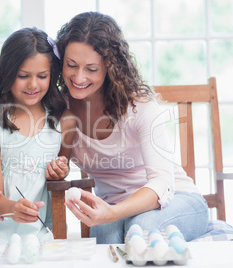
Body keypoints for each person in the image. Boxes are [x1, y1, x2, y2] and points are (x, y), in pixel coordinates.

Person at [57, 11, 208, 243]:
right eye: (71, 65)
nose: (79, 77)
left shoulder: (138, 106)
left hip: (176, 198)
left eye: (91, 69)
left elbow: (161, 183)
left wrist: (113, 213)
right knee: (106, 236)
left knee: (141, 228)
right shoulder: (60, 110)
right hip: (114, 207)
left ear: (110, 67)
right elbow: (22, 153)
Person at [0, 27, 76, 243]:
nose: (33, 84)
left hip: (40, 228)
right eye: (23, 76)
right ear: (5, 75)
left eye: (42, 76)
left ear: (51, 77)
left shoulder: (64, 122)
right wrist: (13, 208)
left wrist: (60, 170)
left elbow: (62, 170)